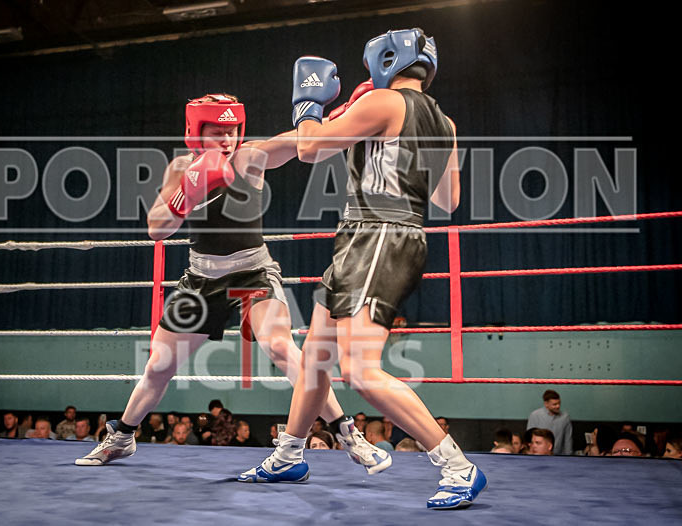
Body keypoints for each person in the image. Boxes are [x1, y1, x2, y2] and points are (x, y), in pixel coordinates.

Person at [239, 28, 485, 510]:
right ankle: (290, 454)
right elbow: (447, 200)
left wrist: (308, 103)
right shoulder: (445, 122)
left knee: (355, 367)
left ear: (385, 60)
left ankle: (456, 464)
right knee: (315, 356)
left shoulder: (384, 101)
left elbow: (309, 149)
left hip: (378, 238)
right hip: (382, 237)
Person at [76, 94, 383, 469]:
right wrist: (185, 194)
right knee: (159, 365)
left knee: (282, 347)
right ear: (195, 133)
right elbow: (156, 228)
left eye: (233, 130)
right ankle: (122, 436)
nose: (227, 139)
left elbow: (301, 145)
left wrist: (335, 118)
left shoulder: (251, 156)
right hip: (200, 279)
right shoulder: (180, 167)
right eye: (217, 131)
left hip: (252, 273)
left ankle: (347, 433)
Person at [527, 390, 572, 455]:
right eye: (554, 404)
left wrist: (568, 457)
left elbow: (568, 440)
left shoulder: (565, 418)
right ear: (546, 404)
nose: (558, 406)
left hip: (558, 457)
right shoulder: (535, 415)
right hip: (538, 456)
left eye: (559, 403)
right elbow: (529, 438)